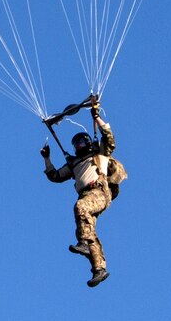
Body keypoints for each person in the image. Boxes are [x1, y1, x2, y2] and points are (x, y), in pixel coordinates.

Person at [41, 102, 116, 287]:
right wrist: (47, 159)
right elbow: (55, 176)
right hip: (86, 195)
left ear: (89, 142)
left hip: (99, 192)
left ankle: (83, 242)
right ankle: (99, 269)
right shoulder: (74, 164)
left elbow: (109, 138)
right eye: (76, 144)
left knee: (80, 208)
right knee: (87, 229)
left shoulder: (100, 153)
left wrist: (96, 116)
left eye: (81, 142)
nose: (78, 146)